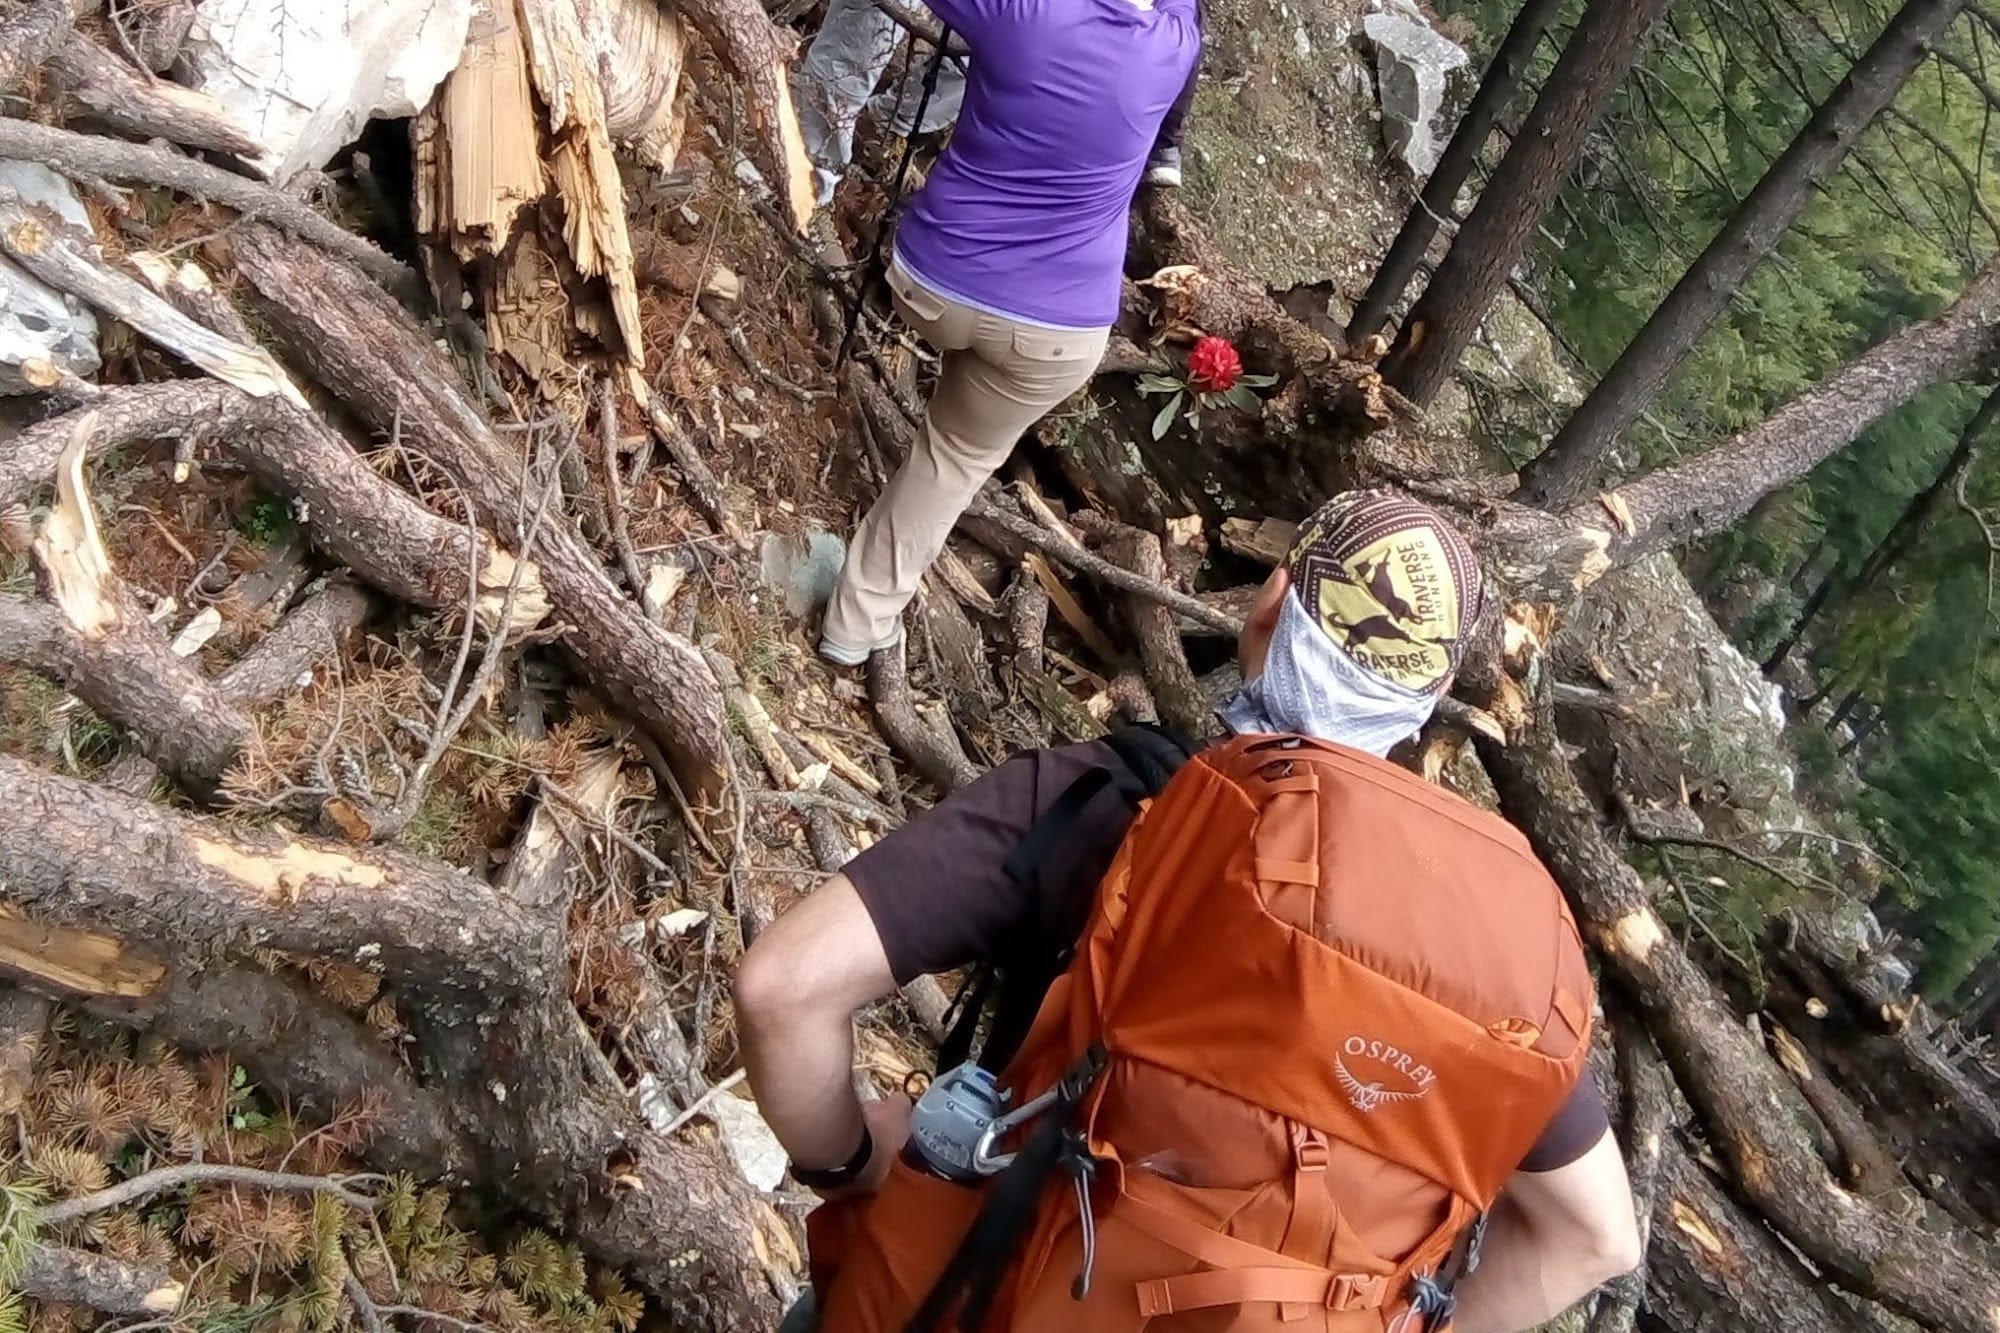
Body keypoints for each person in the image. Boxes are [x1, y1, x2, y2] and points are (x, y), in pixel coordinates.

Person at [741, 490, 1643, 1332]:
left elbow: (784, 988)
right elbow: (1595, 1237)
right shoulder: (1475, 960)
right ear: (1429, 703)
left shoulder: (1107, 804)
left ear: (1268, 605)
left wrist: (852, 1164)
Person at [816, 0, 1203, 666]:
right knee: (951, 462)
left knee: (954, 431)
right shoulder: (1173, 46)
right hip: (1056, 335)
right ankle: (856, 624)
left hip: (932, 281)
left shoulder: (1025, 11)